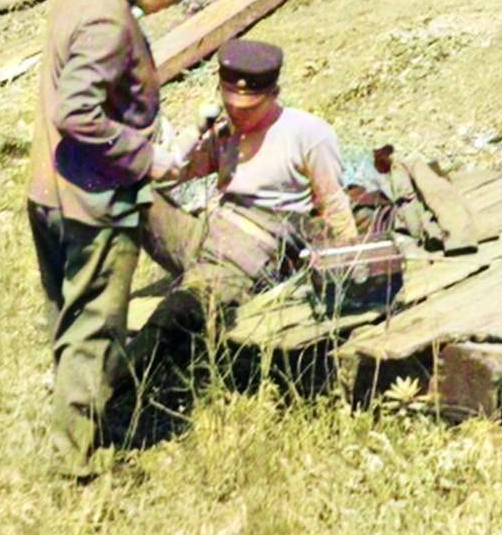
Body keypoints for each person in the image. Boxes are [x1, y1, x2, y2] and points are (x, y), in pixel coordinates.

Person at [26, 0, 226, 478]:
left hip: (51, 189)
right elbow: (78, 112)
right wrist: (149, 157)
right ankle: (73, 463)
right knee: (95, 329)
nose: (179, 0)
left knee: (67, 318)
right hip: (94, 204)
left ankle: (69, 425)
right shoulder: (110, 21)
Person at [135, 40, 361, 346]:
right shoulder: (226, 132)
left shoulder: (308, 135)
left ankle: (129, 376)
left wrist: (348, 273)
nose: (238, 115)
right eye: (230, 105)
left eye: (249, 108)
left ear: (273, 94)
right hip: (203, 234)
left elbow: (334, 207)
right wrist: (195, 132)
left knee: (180, 313)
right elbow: (168, 176)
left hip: (250, 250)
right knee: (131, 189)